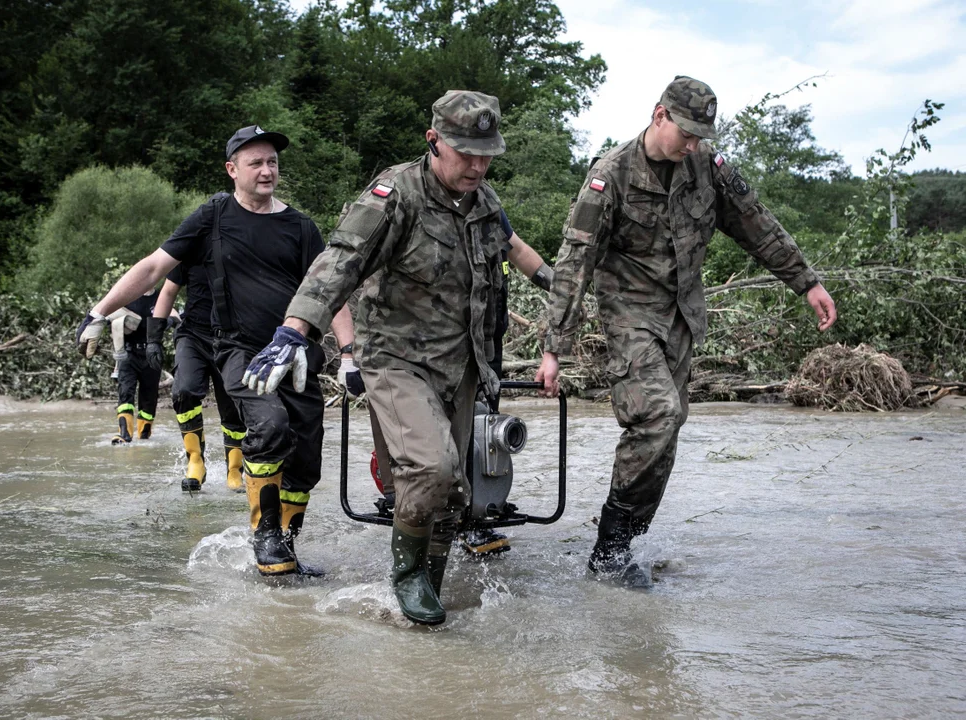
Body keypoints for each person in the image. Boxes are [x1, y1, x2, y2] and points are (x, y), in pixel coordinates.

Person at [535, 76, 838, 588]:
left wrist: (806, 282)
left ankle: (627, 543)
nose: (695, 145)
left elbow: (756, 223)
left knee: (667, 435)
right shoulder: (611, 176)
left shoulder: (707, 168)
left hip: (682, 316)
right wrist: (553, 348)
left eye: (702, 136)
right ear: (659, 116)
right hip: (629, 314)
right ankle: (607, 551)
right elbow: (574, 263)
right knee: (658, 414)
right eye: (688, 133)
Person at [245, 90, 510, 625]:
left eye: (486, 154)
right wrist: (296, 329)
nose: (478, 165)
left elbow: (500, 274)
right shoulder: (396, 195)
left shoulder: (485, 204)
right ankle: (409, 579)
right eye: (466, 152)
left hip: (458, 365)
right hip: (395, 359)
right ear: (434, 142)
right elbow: (341, 259)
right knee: (431, 469)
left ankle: (427, 589)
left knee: (454, 489)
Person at [75, 125, 356, 576]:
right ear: (232, 170)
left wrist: (349, 355)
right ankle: (264, 537)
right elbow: (153, 268)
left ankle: (284, 550)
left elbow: (330, 292)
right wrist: (99, 312)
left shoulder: (301, 227)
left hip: (298, 356)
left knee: (306, 458)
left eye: (273, 163)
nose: (267, 171)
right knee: (271, 425)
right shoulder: (213, 216)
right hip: (239, 352)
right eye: (256, 163)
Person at [367, 218, 553, 556]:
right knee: (432, 439)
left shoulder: (487, 213)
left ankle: (475, 514)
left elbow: (519, 251)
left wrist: (560, 288)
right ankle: (416, 512)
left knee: (482, 431)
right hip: (430, 349)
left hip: (485, 344)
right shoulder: (420, 214)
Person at [147, 260, 248, 493]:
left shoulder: (240, 243)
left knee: (234, 405)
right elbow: (168, 290)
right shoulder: (192, 244)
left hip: (233, 338)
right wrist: (154, 338)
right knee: (184, 390)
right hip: (192, 334)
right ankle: (195, 461)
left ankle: (234, 471)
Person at [108, 288, 161, 445]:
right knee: (125, 393)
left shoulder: (160, 296)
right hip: (128, 353)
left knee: (149, 397)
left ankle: (144, 435)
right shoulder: (127, 295)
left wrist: (168, 321)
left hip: (152, 354)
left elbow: (175, 315)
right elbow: (109, 315)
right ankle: (124, 434)